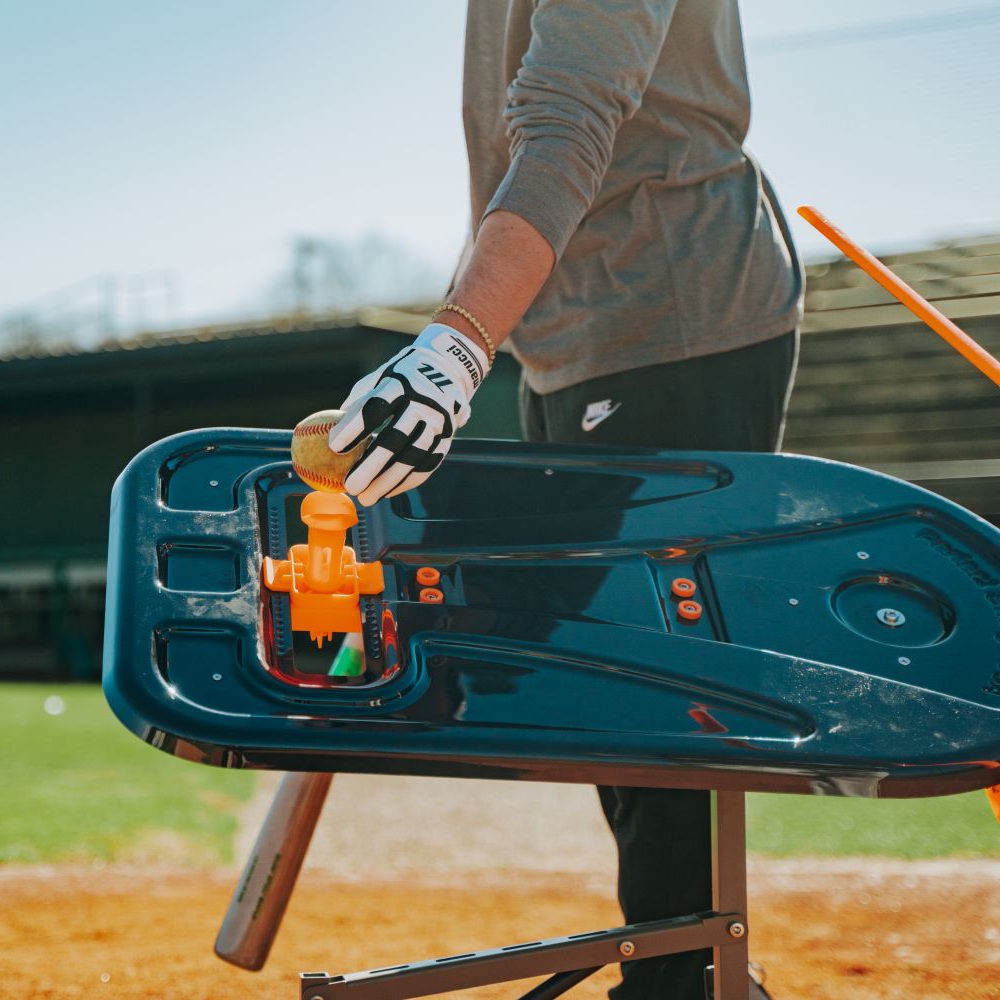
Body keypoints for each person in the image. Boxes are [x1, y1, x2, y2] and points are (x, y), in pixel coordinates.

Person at [328, 2, 803, 998]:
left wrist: (459, 339)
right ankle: (683, 965)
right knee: (605, 684)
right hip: (570, 337)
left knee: (656, 675)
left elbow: (567, 117)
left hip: (672, 314)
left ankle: (686, 977)